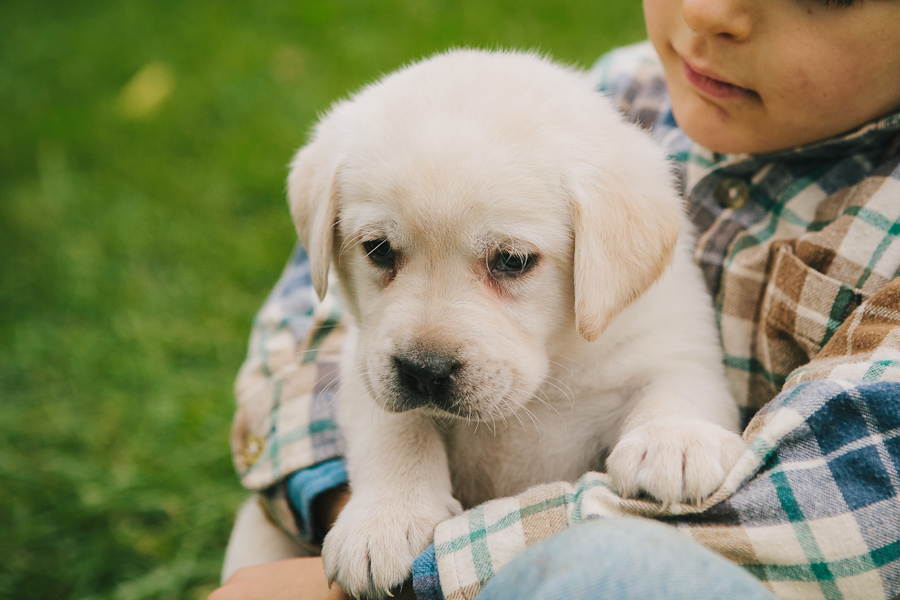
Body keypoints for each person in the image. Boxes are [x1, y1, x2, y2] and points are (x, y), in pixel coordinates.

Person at [210, 0, 900, 597]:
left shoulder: (603, 173)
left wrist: (670, 418)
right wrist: (364, 493)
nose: (424, 344)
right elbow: (308, 324)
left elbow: (849, 514)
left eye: (509, 262)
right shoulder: (608, 95)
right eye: (382, 252)